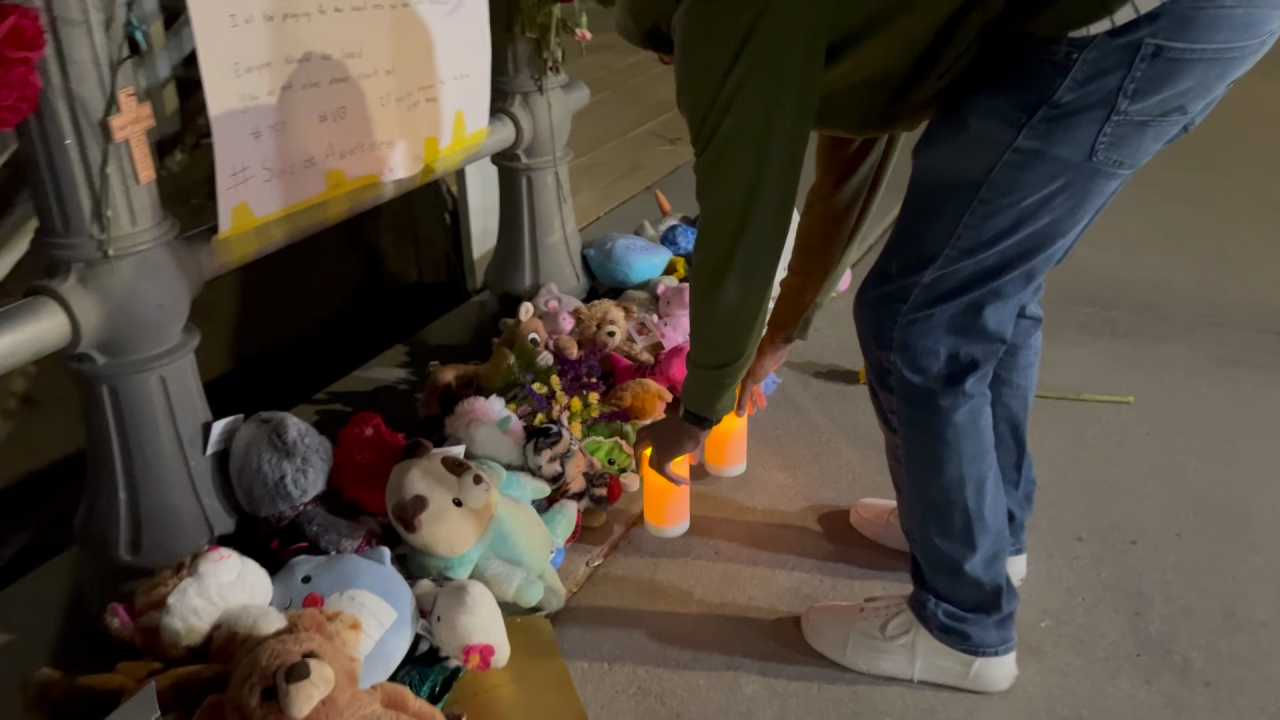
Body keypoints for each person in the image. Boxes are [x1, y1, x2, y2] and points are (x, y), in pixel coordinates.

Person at [622, 0, 1280, 693]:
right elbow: (857, 144)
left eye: (671, 51)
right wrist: (781, 332)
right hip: (1182, 17)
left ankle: (962, 626)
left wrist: (699, 408)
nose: (674, 68)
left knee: (922, 320)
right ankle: (981, 534)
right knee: (985, 290)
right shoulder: (806, 26)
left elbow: (746, 211)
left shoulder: (728, 18)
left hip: (1131, 25)